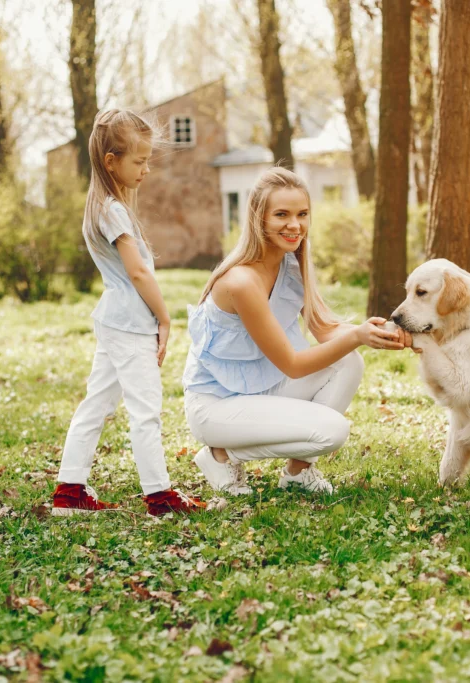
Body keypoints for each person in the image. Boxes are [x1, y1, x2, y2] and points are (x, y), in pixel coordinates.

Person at [182, 167, 412, 496]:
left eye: (302, 214)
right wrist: (356, 336)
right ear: (258, 218)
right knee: (333, 431)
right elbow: (292, 364)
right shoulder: (241, 282)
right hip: (216, 407)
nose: (295, 225)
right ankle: (221, 455)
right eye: (282, 214)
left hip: (259, 389)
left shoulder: (290, 263)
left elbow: (324, 329)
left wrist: (385, 332)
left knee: (349, 362)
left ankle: (297, 472)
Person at [51, 109, 206, 517]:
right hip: (132, 325)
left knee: (96, 403)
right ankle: (159, 496)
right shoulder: (114, 211)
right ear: (110, 161)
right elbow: (137, 271)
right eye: (139, 161)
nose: (146, 169)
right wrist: (165, 317)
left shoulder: (101, 205)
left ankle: (69, 491)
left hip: (114, 321)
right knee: (145, 410)